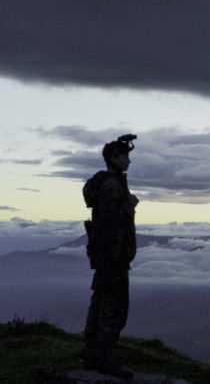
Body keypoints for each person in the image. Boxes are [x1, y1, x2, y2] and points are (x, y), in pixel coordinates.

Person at [81, 134, 138, 379]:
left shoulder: (109, 183)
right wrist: (130, 205)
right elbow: (112, 223)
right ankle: (104, 359)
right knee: (113, 307)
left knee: (101, 302)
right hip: (112, 257)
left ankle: (93, 355)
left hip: (105, 256)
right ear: (113, 159)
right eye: (124, 156)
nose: (129, 161)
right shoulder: (113, 186)